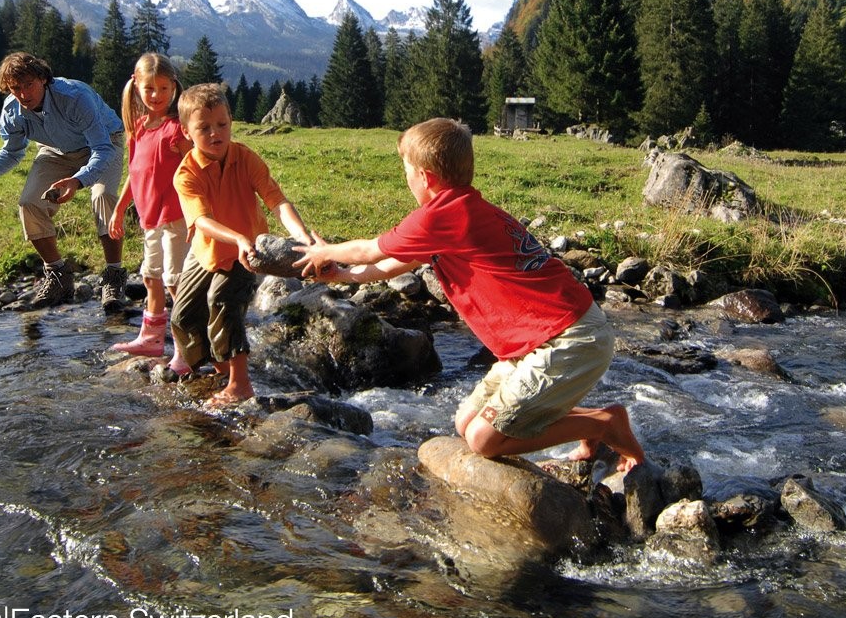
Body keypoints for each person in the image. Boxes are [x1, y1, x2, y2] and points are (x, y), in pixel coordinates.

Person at [297, 118, 644, 471]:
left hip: (568, 338)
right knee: (466, 423)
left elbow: (371, 251)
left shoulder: (440, 218)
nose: (406, 180)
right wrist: (342, 275)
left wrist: (326, 252)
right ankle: (595, 423)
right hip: (539, 341)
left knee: (484, 439)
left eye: (406, 171)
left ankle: (604, 424)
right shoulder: (459, 212)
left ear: (426, 177)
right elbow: (391, 265)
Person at [0, 52, 128, 312]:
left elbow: (102, 148)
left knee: (102, 196)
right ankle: (58, 275)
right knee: (29, 203)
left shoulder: (75, 97)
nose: (23, 94)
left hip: (104, 143)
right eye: (15, 88)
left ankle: (113, 276)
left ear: (43, 79)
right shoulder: (12, 110)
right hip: (54, 151)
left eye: (28, 85)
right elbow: (11, 152)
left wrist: (77, 181)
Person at [170, 82, 314, 407]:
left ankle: (241, 383)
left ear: (231, 120)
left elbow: (276, 201)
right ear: (186, 132)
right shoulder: (186, 173)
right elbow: (201, 221)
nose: (215, 133)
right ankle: (220, 365)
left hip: (247, 252)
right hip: (208, 248)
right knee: (183, 318)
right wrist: (233, 237)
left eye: (222, 124)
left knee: (222, 301)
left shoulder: (246, 158)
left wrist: (302, 236)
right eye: (204, 128)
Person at [107, 53, 192, 370]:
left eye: (163, 89)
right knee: (150, 276)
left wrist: (200, 215)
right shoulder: (139, 128)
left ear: (174, 88)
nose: (156, 96)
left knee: (175, 280)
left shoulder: (176, 130)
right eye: (150, 89)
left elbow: (194, 173)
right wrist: (119, 208)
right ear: (137, 87)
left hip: (177, 219)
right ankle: (152, 338)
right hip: (151, 219)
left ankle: (187, 346)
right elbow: (135, 172)